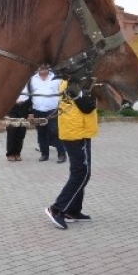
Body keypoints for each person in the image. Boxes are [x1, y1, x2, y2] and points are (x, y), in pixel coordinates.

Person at [44, 80, 98, 229]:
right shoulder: (74, 83)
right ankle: (57, 209)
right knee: (81, 172)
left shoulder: (80, 82)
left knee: (82, 172)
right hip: (75, 132)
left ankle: (72, 211)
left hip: (81, 130)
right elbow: (87, 106)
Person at [28, 64, 67, 163]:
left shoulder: (56, 78)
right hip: (38, 109)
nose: (43, 68)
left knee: (54, 132)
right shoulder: (32, 79)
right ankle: (44, 154)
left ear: (48, 67)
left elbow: (63, 93)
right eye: (41, 66)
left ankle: (61, 154)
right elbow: (30, 94)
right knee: (41, 133)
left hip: (52, 110)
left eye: (45, 66)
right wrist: (30, 112)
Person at [5, 84, 31, 161]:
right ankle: (10, 153)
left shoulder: (29, 80)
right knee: (12, 130)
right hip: (12, 106)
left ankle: (17, 153)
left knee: (21, 131)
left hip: (24, 106)